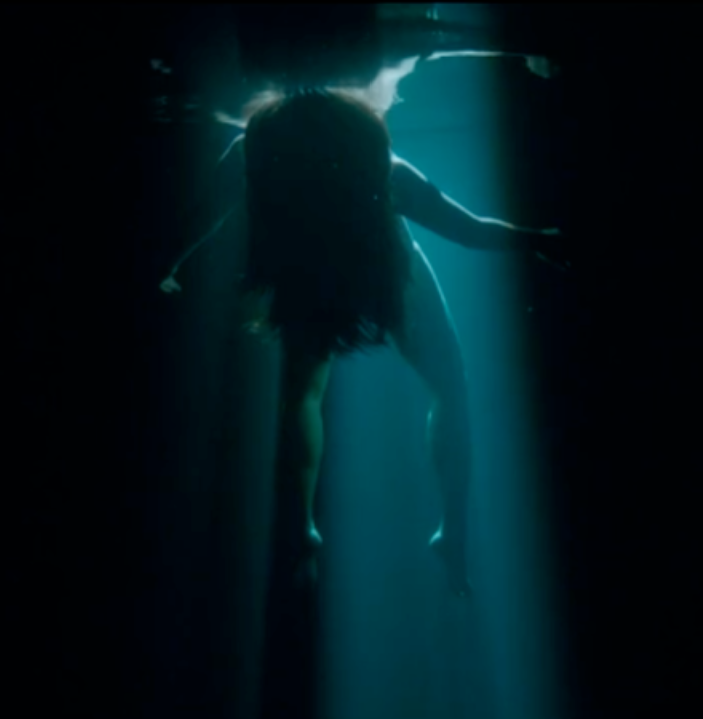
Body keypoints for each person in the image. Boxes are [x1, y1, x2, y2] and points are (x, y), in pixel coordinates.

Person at [161, 87, 564, 598]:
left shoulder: (253, 152)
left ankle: (301, 526)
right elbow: (468, 230)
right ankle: (452, 528)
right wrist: (537, 239)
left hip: (309, 279)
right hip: (387, 274)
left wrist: (165, 266)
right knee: (450, 388)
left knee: (302, 397)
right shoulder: (381, 165)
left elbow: (198, 220)